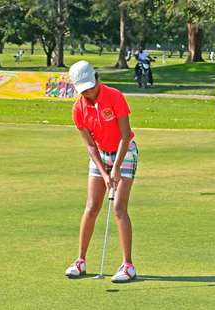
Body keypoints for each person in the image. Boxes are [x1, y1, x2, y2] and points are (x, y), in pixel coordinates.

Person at [65, 60, 139, 283]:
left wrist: (115, 168)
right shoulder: (78, 108)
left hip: (124, 151)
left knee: (118, 208)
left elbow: (125, 136)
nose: (88, 92)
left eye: (90, 87)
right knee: (91, 206)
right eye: (83, 89)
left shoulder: (114, 96)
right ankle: (80, 261)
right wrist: (104, 173)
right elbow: (89, 145)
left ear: (97, 78)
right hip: (100, 155)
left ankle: (128, 265)